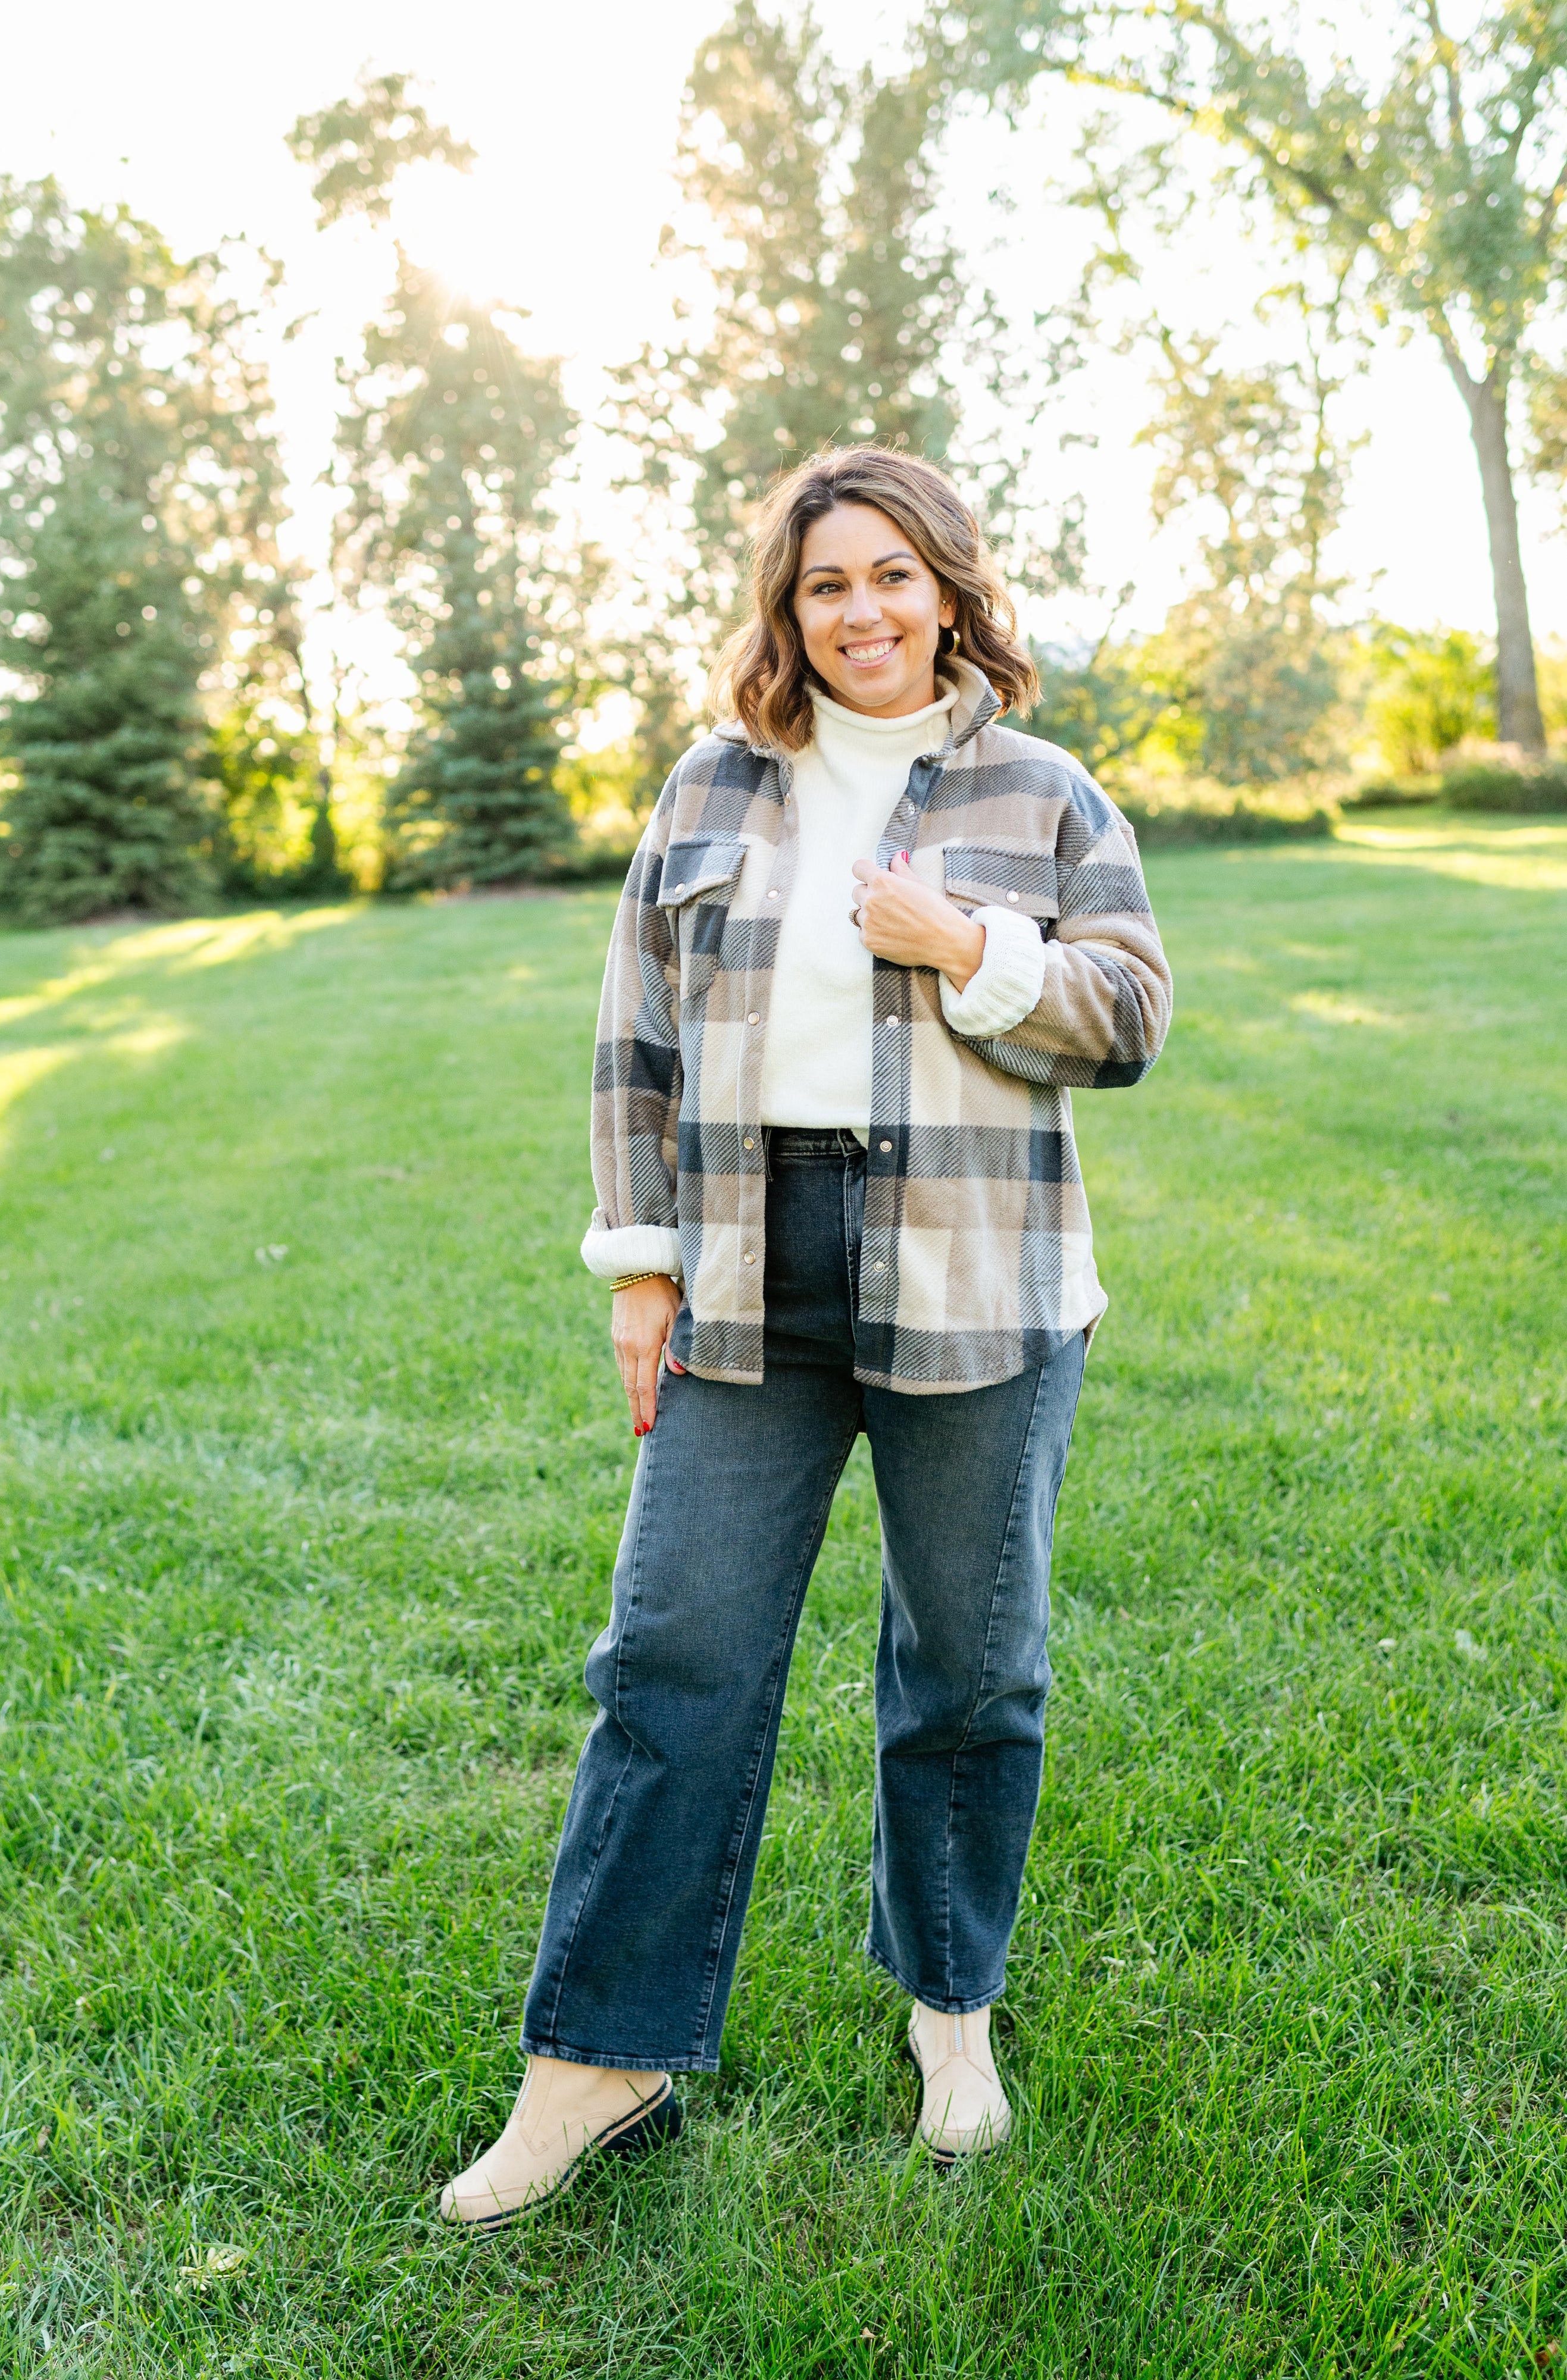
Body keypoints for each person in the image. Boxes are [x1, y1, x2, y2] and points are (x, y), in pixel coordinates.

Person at [440, 445, 1172, 2231]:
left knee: (970, 1672)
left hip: (981, 1276)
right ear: (789, 607)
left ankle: (949, 2008)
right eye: (826, 583)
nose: (861, 612)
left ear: (949, 590)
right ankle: (594, 2062)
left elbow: (1129, 1014)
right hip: (750, 1276)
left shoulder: (1045, 791)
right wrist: (638, 1264)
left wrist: (969, 947)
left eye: (892, 576)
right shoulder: (710, 786)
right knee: (670, 1661)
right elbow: (636, 1043)